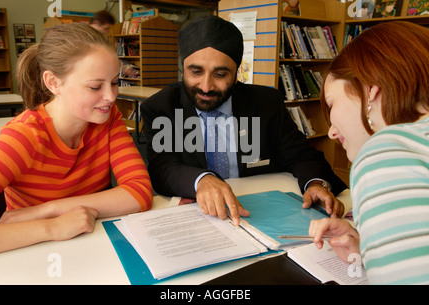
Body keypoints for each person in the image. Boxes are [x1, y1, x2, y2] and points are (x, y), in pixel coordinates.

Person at [141, 15, 347, 226]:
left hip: (262, 214)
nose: (206, 86)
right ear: (182, 69)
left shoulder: (266, 103)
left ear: (237, 72)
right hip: (201, 218)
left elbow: (302, 156)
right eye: (196, 72)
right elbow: (162, 168)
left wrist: (315, 184)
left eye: (220, 74)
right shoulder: (161, 107)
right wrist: (202, 179)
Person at [0, 23, 152, 256]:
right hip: (33, 257)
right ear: (53, 83)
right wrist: (52, 227)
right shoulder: (22, 138)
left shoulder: (108, 119)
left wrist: (47, 210)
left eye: (114, 82)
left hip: (93, 249)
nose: (111, 96)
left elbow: (140, 192)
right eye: (95, 86)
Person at [308, 21, 429, 284]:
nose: (331, 132)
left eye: (332, 105)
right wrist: (374, 246)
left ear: (370, 89)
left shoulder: (386, 153)